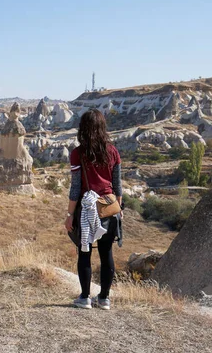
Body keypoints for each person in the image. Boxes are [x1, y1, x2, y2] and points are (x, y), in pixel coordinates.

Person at [64, 109, 123, 310]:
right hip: (110, 208)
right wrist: (119, 208)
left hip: (88, 210)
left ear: (83, 129)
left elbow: (75, 188)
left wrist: (70, 214)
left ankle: (85, 297)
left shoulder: (77, 154)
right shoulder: (113, 151)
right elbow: (118, 185)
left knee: (84, 253)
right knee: (107, 254)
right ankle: (105, 298)